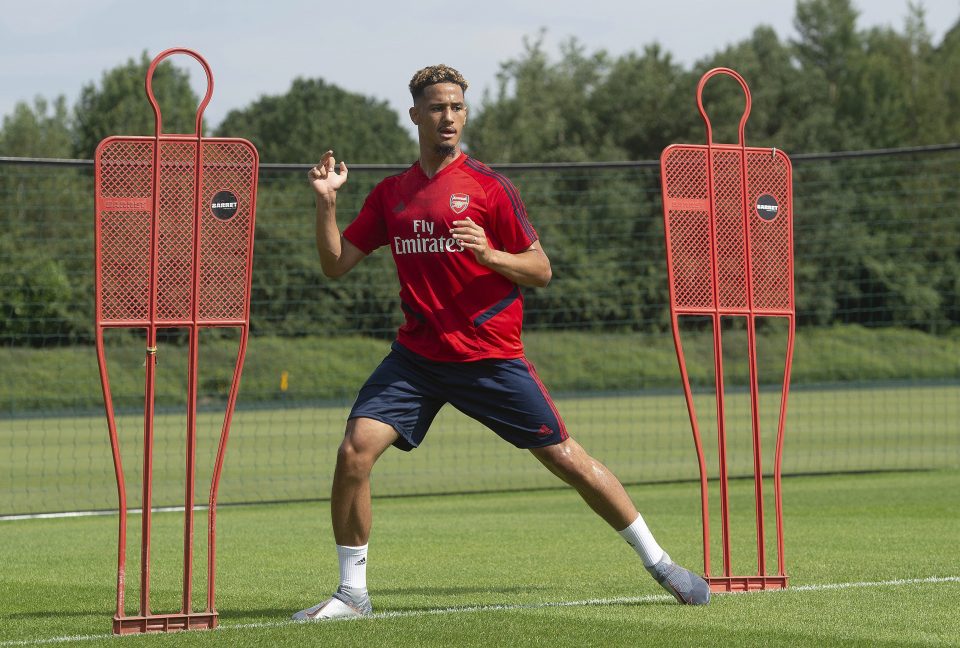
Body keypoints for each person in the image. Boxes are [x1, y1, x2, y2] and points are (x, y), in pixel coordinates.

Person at [293, 64, 709, 621]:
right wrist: (325, 202)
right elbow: (335, 265)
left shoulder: (490, 188)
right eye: (438, 107)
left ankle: (661, 564)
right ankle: (352, 595)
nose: (449, 117)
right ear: (415, 114)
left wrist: (489, 255)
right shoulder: (392, 194)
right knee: (353, 453)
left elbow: (540, 270)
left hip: (490, 359)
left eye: (458, 107)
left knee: (567, 458)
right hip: (416, 360)